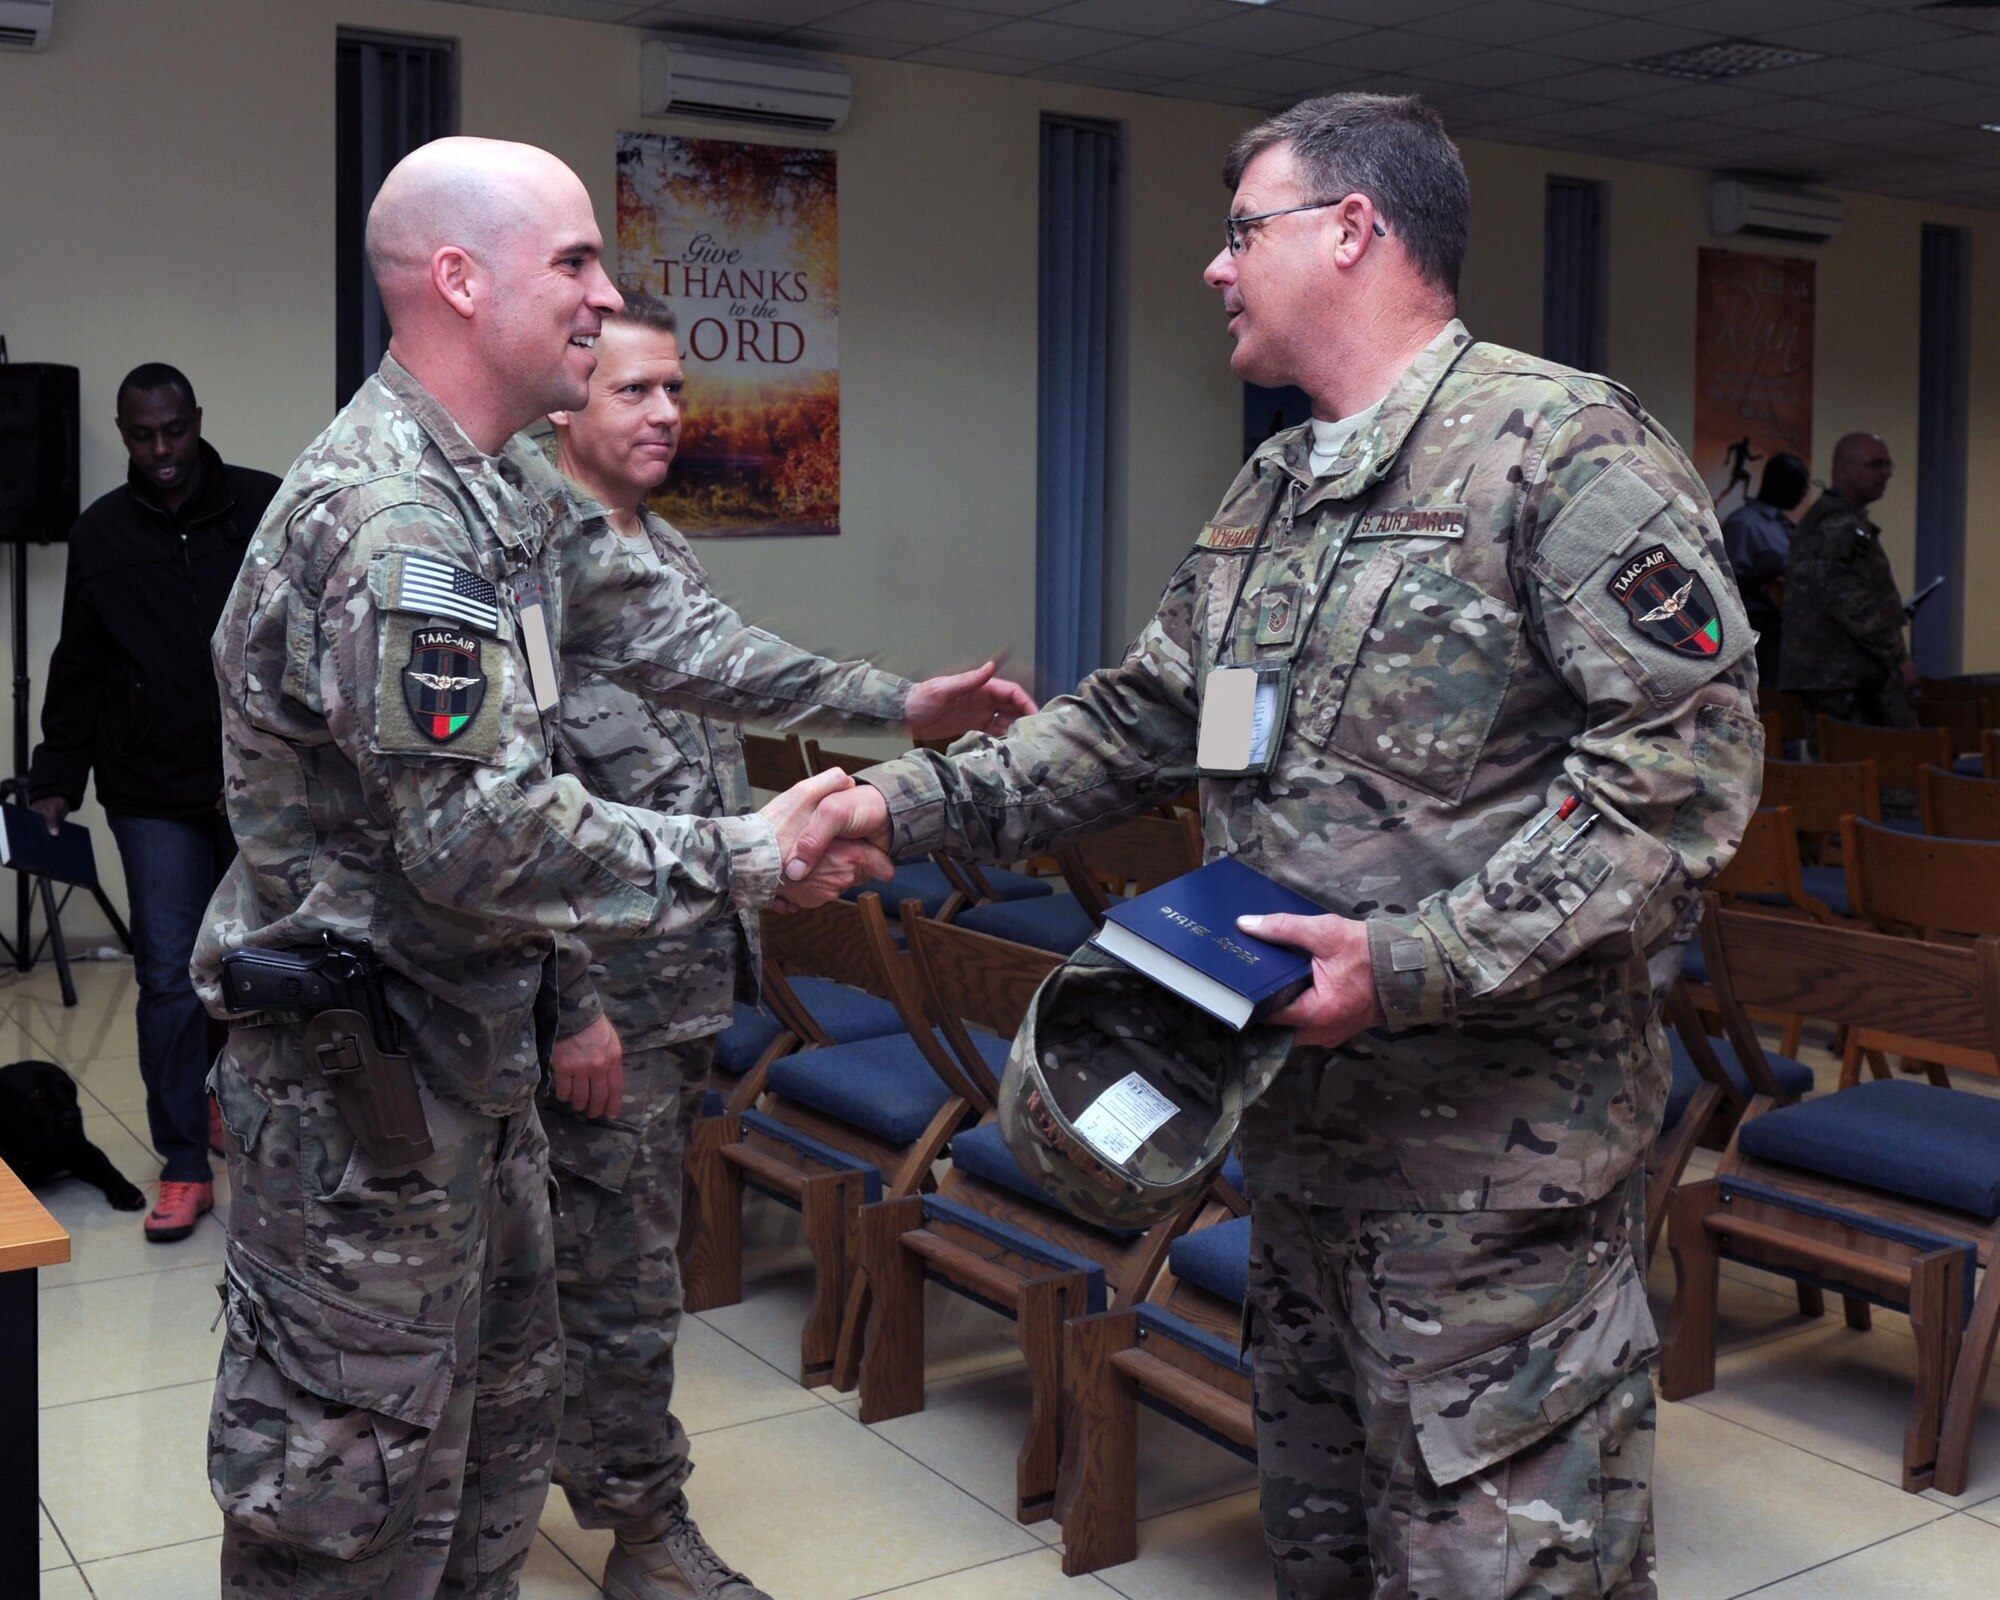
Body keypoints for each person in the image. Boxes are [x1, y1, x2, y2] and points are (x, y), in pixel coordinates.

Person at [793, 94, 1760, 1598]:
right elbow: (1137, 719)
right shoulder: (1275, 491)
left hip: (1493, 1183)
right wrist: (896, 806)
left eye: (1243, 229)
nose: (1215, 267)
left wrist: (1416, 963)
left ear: (1353, 231)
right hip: (1297, 1141)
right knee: (1323, 1542)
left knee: (1504, 1569)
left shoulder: (1561, 451)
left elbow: (1682, 776)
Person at [187, 135, 969, 1600]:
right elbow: (476, 835)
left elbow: (672, 638)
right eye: (576, 265)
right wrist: (747, 853)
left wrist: (888, 704)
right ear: (461, 281)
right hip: (367, 1108)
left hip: (474, 1077)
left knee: (488, 1467)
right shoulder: (395, 522)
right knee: (348, 1503)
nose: (606, 300)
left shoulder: (501, 497)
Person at [541, 292, 1033, 1600]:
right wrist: (569, 1004)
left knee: (615, 1261)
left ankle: (578, 1484)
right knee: (617, 1281)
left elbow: (713, 731)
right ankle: (645, 1534)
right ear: (563, 401)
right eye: (633, 391)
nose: (663, 415)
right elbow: (516, 816)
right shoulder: (539, 558)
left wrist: (789, 869)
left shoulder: (657, 546)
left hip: (689, 970)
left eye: (674, 392)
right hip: (602, 1001)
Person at [26, 363, 278, 1241]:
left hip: (256, 784)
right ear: (127, 433)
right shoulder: (102, 532)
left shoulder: (262, 506)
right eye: (142, 435)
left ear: (196, 420)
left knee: (249, 972)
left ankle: (225, 1106)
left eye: (172, 431)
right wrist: (57, 774)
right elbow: (80, 660)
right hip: (149, 789)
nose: (160, 451)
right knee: (169, 975)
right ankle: (181, 1161)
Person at [1778, 432, 1917, 729]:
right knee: (1859, 767)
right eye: (1875, 465)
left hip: (1834, 674)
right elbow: (1851, 602)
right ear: (1843, 469)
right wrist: (1897, 657)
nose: (1885, 474)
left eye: (1887, 465)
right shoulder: (1839, 525)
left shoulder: (1830, 518)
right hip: (1842, 678)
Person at [1719, 450, 1808, 684]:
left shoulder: (1786, 526)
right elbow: (1725, 584)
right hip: (1757, 635)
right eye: (1799, 485)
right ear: (1779, 483)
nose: (1804, 492)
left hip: (1786, 634)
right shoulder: (1744, 523)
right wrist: (1770, 570)